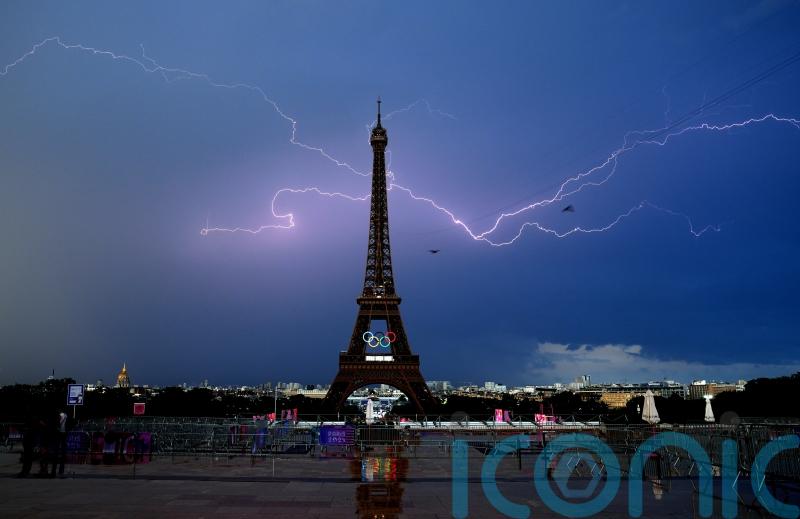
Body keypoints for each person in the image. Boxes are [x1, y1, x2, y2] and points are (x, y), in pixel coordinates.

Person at [51, 411, 68, 477]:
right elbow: (56, 423)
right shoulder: (58, 415)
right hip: (58, 434)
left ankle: (61, 471)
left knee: (62, 453)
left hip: (63, 434)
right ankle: (54, 471)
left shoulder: (66, 415)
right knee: (56, 453)